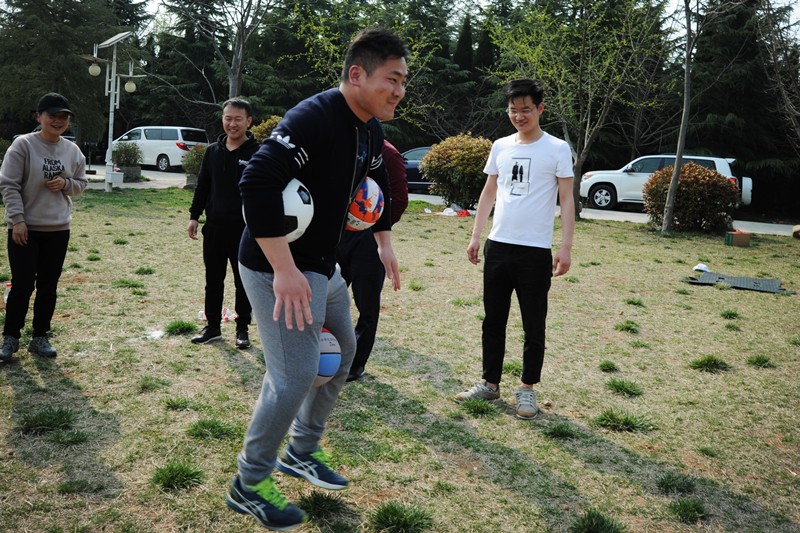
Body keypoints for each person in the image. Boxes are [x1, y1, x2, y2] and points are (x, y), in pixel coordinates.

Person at [226, 28, 407, 530]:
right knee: (295, 374)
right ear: (357, 75)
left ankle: (301, 450)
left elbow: (374, 181)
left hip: (321, 266)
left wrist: (383, 240)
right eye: (392, 79)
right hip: (275, 265)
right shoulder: (315, 117)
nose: (400, 91)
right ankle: (249, 483)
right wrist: (284, 270)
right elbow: (255, 181)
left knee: (345, 351)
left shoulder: (370, 130)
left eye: (403, 82)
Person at [454, 79, 575, 420]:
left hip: (534, 251)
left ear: (540, 109)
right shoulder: (501, 146)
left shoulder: (557, 149)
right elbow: (488, 193)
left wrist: (565, 247)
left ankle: (527, 389)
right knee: (493, 319)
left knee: (533, 323)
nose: (519, 116)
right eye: (513, 110)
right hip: (498, 246)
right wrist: (476, 235)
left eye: (525, 109)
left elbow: (567, 200)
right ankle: (489, 384)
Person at [0, 93, 88, 361]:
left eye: (63, 117)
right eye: (52, 116)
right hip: (25, 228)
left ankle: (40, 337)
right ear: (39, 117)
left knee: (48, 286)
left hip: (58, 229)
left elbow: (81, 184)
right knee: (23, 284)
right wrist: (18, 220)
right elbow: (9, 185)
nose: (58, 121)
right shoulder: (23, 145)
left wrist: (65, 184)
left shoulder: (72, 151)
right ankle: (10, 338)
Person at [188, 98, 259, 349]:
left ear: (248, 121)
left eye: (238, 119)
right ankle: (213, 327)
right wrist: (194, 216)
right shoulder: (212, 152)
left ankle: (242, 329)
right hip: (215, 228)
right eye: (228, 118)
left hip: (245, 231)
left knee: (243, 282)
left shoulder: (258, 153)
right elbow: (203, 186)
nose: (232, 124)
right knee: (213, 279)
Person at [339, 139, 408, 382]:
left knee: (366, 305)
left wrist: (375, 229)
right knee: (327, 297)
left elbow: (399, 199)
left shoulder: (388, 153)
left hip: (368, 240)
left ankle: (356, 364)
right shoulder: (343, 143)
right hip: (336, 235)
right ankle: (328, 353)